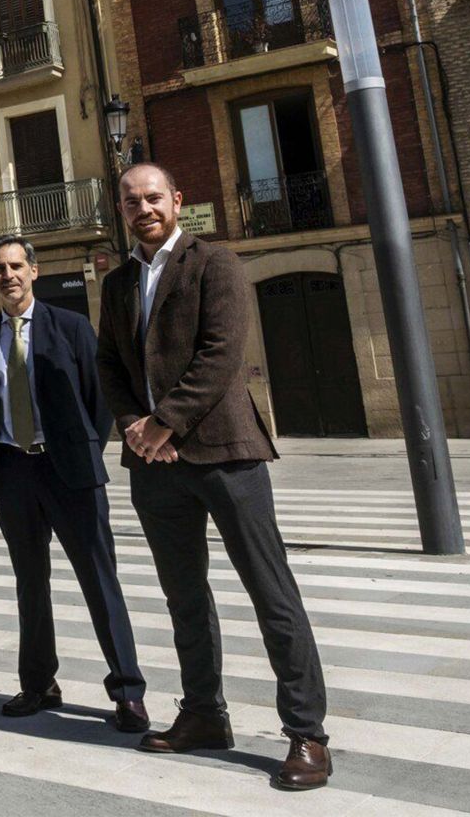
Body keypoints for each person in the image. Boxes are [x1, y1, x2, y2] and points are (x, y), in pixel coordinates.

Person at [97, 163, 331, 790]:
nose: (143, 209)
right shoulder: (118, 282)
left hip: (226, 452)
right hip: (155, 465)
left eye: (153, 197)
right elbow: (108, 363)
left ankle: (307, 732)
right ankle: (203, 713)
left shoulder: (215, 263)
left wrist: (163, 423)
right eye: (131, 201)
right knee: (184, 597)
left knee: (270, 591)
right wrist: (134, 425)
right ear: (121, 210)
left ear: (177, 200)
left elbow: (221, 353)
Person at [0, 235, 147, 731]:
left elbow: (99, 399)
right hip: (14, 472)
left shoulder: (71, 327)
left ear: (34, 270)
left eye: (16, 266)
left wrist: (80, 449)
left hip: (70, 471)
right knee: (30, 584)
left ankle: (128, 692)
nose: (8, 275)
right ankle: (38, 683)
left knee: (99, 580)